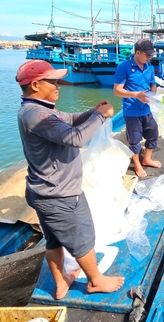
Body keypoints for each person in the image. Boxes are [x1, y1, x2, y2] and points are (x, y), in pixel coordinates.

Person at [16, 60, 125, 299]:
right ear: (35, 84)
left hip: (43, 192)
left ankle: (61, 281)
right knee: (82, 239)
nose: (60, 86)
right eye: (53, 81)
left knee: (53, 239)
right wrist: (99, 117)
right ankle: (96, 281)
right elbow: (75, 138)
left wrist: (93, 111)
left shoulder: (39, 108)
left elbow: (72, 119)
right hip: (60, 195)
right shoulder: (38, 115)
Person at [113, 39, 162, 178]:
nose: (149, 57)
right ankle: (137, 164)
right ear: (138, 52)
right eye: (147, 55)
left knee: (153, 133)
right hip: (132, 111)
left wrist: (153, 93)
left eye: (151, 55)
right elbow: (117, 91)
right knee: (134, 140)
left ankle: (147, 159)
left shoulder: (149, 66)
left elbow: (153, 83)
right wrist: (136, 95)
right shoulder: (124, 67)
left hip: (147, 108)